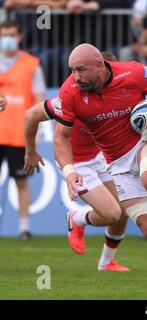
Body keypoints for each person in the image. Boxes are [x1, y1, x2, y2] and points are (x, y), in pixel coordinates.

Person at [52, 43, 147, 271]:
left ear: (99, 65)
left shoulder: (133, 72)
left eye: (81, 70)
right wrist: (69, 171)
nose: (75, 77)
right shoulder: (69, 92)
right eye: (72, 70)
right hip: (117, 163)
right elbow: (60, 137)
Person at [23, 52, 130, 271]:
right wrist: (31, 151)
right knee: (111, 214)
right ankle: (77, 218)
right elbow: (30, 115)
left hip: (100, 156)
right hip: (76, 163)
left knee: (124, 211)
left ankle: (107, 262)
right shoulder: (69, 99)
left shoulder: (119, 96)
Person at [0, 20, 46, 240]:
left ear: (19, 36)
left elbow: (39, 101)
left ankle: (24, 227)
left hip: (19, 134)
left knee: (21, 182)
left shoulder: (31, 64)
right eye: (4, 34)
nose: (7, 39)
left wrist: (36, 135)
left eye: (11, 34)